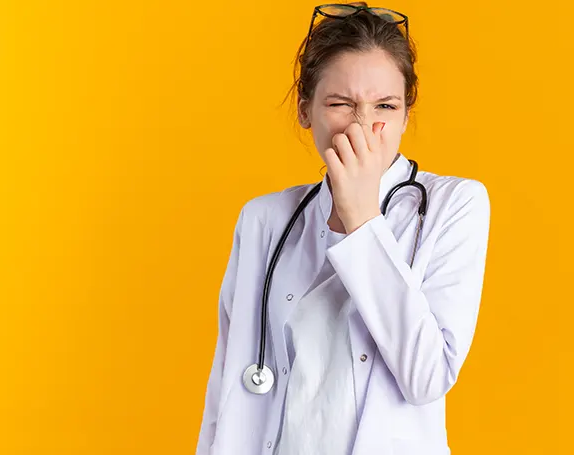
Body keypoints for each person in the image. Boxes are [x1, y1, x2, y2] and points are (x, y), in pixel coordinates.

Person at [195, 3, 491, 455]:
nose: (362, 126)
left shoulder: (453, 205)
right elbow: (227, 389)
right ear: (304, 110)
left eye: (385, 106)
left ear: (407, 114)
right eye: (340, 104)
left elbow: (427, 377)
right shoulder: (265, 219)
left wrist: (362, 217)